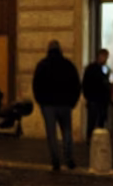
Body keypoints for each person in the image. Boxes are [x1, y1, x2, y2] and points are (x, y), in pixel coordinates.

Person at [32, 39, 81, 172]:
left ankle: (56, 161)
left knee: (51, 134)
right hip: (65, 104)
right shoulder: (68, 65)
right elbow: (76, 84)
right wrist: (72, 102)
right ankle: (69, 159)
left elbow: (36, 85)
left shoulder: (42, 65)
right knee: (67, 133)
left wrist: (40, 101)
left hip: (48, 105)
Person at [82, 48, 112, 142]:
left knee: (99, 121)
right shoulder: (93, 69)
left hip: (100, 100)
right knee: (93, 121)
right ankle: (91, 139)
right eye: (105, 57)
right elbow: (86, 84)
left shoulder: (104, 69)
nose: (106, 59)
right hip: (95, 99)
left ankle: (96, 140)